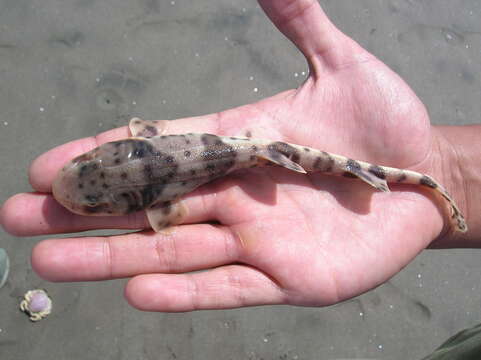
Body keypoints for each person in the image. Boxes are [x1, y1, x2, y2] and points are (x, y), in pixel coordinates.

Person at [0, 0, 479, 314]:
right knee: (295, 158)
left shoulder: (161, 203)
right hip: (239, 150)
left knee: (321, 161)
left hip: (243, 154)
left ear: (122, 147)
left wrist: (441, 170)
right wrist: (443, 168)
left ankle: (427, 181)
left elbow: (162, 216)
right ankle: (431, 182)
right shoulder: (145, 141)